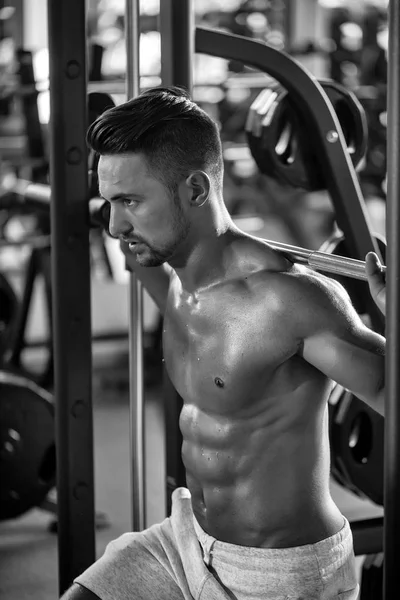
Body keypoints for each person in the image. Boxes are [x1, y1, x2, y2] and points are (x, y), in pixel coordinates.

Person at [63, 87, 387, 600]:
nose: (114, 224)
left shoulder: (288, 300)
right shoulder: (173, 275)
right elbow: (113, 229)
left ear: (195, 190)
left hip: (281, 571)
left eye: (129, 201)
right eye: (109, 201)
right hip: (186, 538)